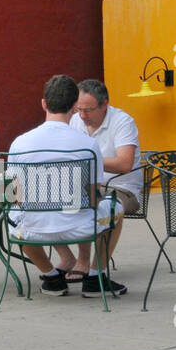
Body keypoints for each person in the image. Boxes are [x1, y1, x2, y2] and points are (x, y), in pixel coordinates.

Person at [5, 74, 127, 298]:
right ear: (73, 107)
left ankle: (51, 277)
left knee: (13, 214)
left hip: (34, 229)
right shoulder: (88, 145)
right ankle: (94, 277)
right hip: (81, 227)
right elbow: (93, 197)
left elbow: (18, 197)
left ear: (44, 103)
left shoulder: (19, 143)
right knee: (115, 206)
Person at [51, 78, 140, 280]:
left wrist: (90, 159)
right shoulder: (75, 120)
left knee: (96, 202)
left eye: (88, 110)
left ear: (105, 104)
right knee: (45, 201)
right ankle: (68, 258)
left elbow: (125, 164)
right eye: (78, 109)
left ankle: (91, 267)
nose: (82, 116)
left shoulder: (123, 121)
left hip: (121, 187)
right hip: (85, 185)